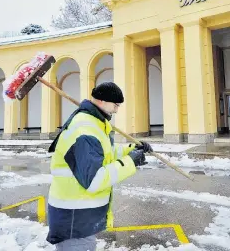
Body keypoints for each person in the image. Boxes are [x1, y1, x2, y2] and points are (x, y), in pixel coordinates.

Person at [46, 81, 153, 250]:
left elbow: (105, 153)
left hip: (79, 215)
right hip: (74, 219)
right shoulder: (85, 129)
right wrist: (131, 162)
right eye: (116, 105)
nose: (117, 110)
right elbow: (95, 180)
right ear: (102, 101)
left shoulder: (93, 123)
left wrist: (133, 149)